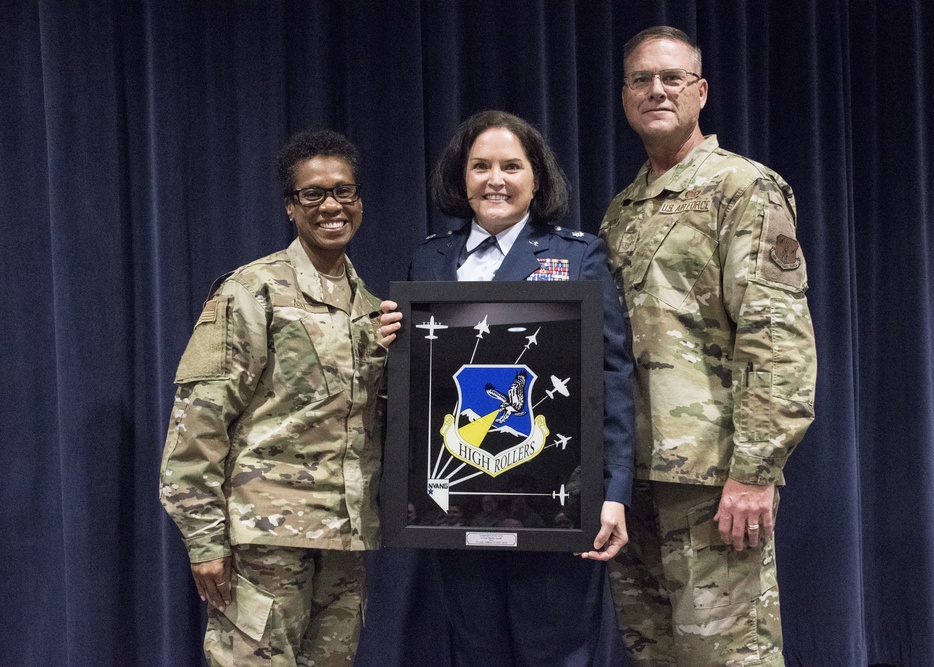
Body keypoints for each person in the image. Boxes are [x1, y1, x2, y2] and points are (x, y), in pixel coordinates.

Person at [380, 110, 635, 666]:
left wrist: (613, 490)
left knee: (559, 651)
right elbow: (417, 385)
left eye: (511, 166)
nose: (495, 179)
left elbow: (611, 376)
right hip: (455, 504)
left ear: (537, 178)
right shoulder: (429, 257)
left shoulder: (576, 255)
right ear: (461, 177)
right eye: (481, 166)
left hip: (558, 500)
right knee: (476, 651)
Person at [599, 27, 818, 666]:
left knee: (729, 656)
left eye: (671, 78)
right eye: (642, 79)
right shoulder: (623, 210)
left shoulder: (743, 189)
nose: (656, 90)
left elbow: (777, 341)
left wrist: (754, 471)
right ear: (624, 96)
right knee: (657, 654)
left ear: (700, 91)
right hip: (635, 478)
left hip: (713, 478)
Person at [159, 130, 388, 666]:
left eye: (344, 192)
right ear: (291, 206)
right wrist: (204, 540)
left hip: (345, 542)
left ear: (359, 201)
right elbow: (199, 423)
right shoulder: (251, 291)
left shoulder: (375, 311)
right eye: (313, 194)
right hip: (265, 544)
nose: (331, 205)